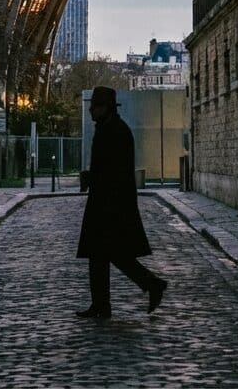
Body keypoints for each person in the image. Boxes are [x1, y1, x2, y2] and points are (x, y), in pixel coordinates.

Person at [76, 85, 167, 320]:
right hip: (106, 200)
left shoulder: (115, 131)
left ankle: (151, 285)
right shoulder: (109, 128)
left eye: (94, 106)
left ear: (104, 108)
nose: (90, 111)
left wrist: (92, 178)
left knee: (111, 253)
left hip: (112, 203)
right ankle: (102, 304)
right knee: (101, 254)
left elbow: (112, 169)